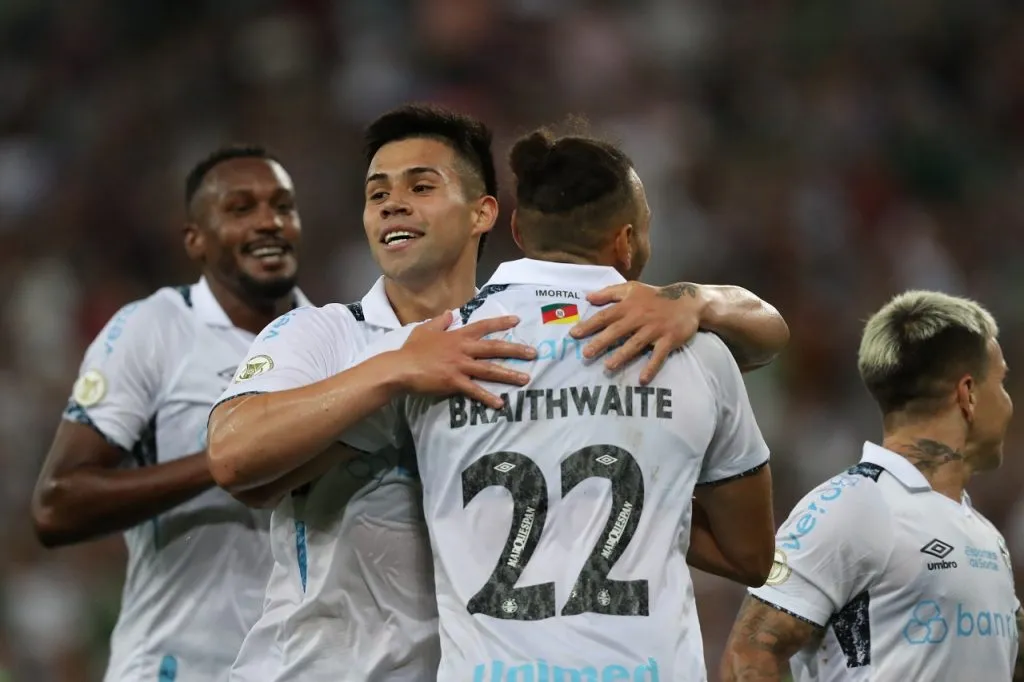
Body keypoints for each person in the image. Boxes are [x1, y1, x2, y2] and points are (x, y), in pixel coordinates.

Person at [207, 106, 788, 681]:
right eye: (376, 192)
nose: (393, 203)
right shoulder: (324, 334)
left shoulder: (519, 341)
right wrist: (396, 369)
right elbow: (235, 460)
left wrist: (699, 299)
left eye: (421, 185)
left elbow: (765, 332)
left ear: (486, 213)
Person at [30, 146, 308, 681]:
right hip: (175, 666)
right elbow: (55, 505)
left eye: (283, 206)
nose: (268, 222)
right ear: (195, 239)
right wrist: (224, 461)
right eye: (240, 208)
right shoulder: (155, 329)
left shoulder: (334, 339)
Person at [720, 290, 1023, 681]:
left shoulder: (985, 536)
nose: (1010, 402)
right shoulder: (853, 506)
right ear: (969, 394)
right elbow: (748, 656)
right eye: (1002, 382)